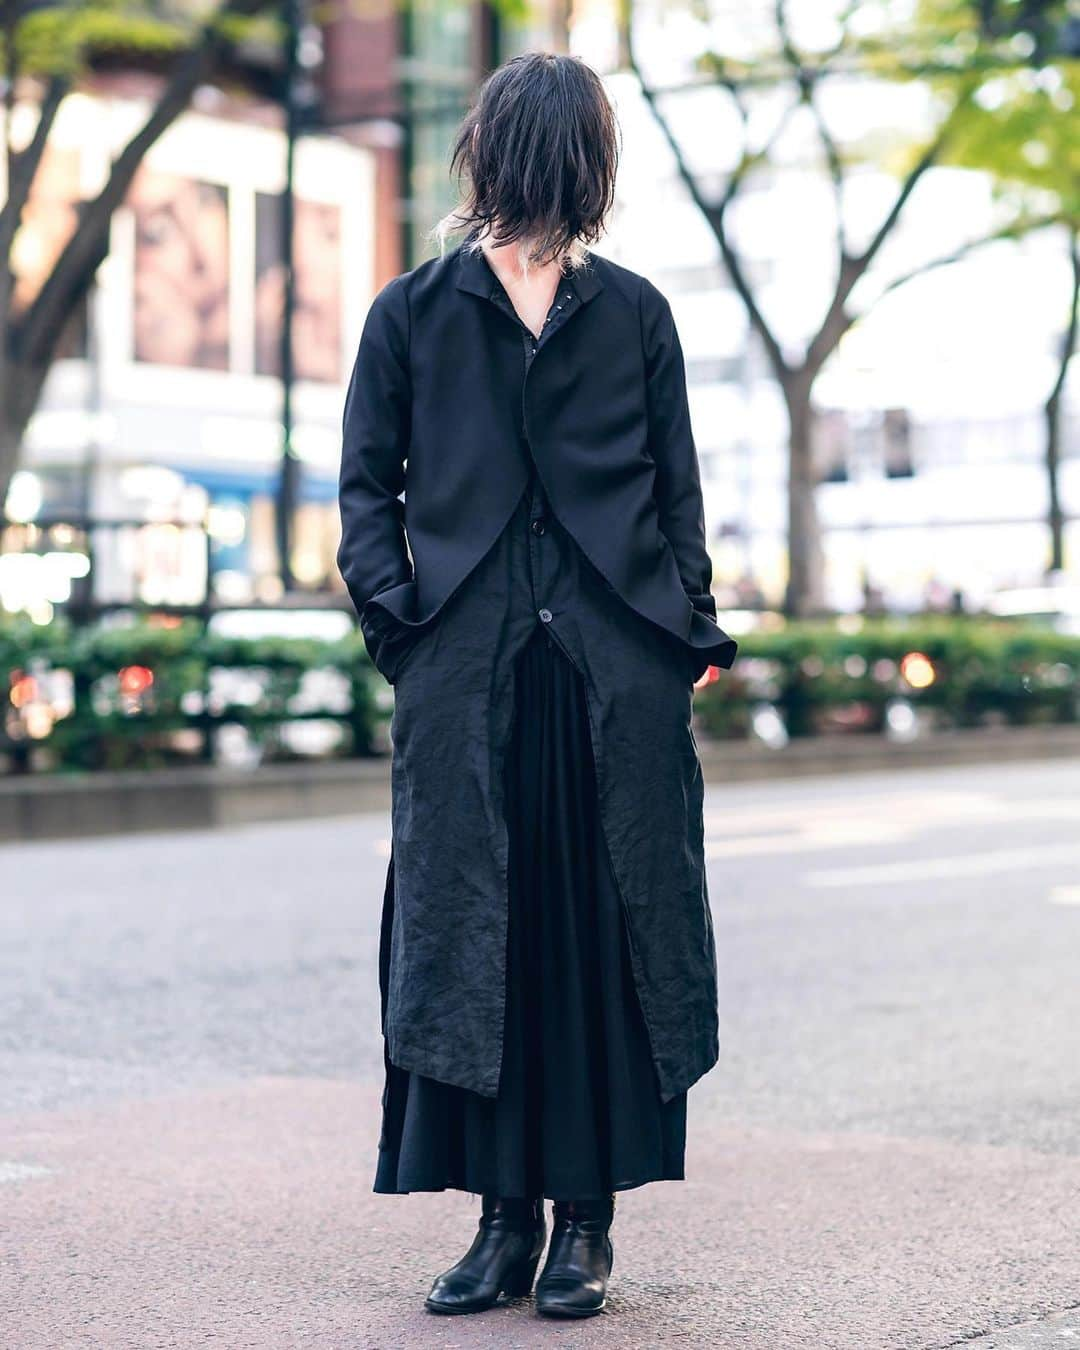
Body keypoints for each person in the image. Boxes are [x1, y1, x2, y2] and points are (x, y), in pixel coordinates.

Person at [337, 51, 737, 1320]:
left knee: (603, 927)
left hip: (613, 666)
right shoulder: (413, 310)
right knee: (475, 932)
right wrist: (400, 625)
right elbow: (365, 488)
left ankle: (584, 1226)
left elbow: (677, 493)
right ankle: (499, 1221)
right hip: (466, 668)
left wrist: (689, 637)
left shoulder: (633, 314)